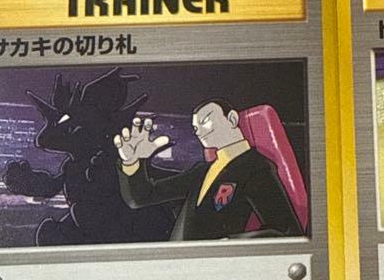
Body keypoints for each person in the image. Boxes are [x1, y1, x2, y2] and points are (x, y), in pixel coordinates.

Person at [114, 99, 302, 239]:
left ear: (232, 119)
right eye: (195, 127)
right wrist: (132, 162)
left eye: (205, 121)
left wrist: (230, 245)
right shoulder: (202, 171)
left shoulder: (254, 166)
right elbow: (141, 197)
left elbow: (286, 231)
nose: (199, 131)